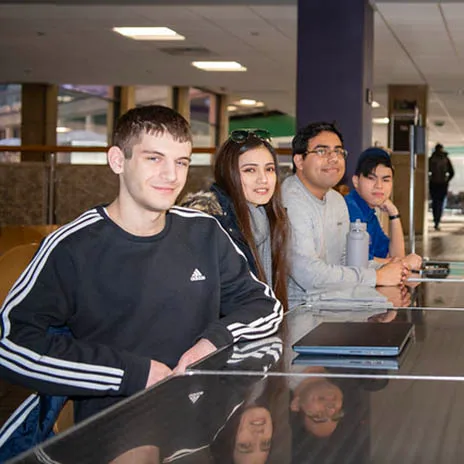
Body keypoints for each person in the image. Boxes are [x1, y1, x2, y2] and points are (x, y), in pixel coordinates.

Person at [0, 105, 283, 426]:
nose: (171, 175)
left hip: (198, 432)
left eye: (181, 162)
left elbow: (265, 306)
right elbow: (11, 342)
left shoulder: (204, 232)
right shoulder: (71, 246)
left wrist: (211, 343)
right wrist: (134, 373)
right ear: (118, 160)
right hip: (109, 432)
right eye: (154, 159)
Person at [281, 122, 409, 308]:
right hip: (296, 311)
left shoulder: (335, 200)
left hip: (332, 305)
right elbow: (309, 275)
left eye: (338, 151)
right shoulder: (290, 201)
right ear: (299, 161)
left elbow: (347, 260)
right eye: (322, 151)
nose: (333, 158)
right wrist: (378, 276)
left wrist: (390, 269)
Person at [181, 128, 289, 309]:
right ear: (228, 173)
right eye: (250, 170)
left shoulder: (269, 218)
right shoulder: (210, 222)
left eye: (269, 169)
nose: (263, 179)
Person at [345, 147, 422, 269]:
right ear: (356, 181)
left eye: (385, 180)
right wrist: (404, 263)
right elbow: (359, 261)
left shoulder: (369, 213)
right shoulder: (349, 209)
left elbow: (395, 255)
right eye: (371, 178)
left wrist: (394, 214)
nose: (379, 186)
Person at [429, 143, 454, 230]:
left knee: (434, 202)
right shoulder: (446, 159)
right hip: (443, 183)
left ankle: (435, 219)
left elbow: (427, 170)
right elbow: (452, 172)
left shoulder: (431, 159)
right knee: (441, 202)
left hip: (433, 183)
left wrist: (430, 178)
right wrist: (447, 180)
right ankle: (437, 221)